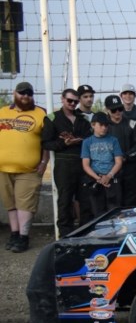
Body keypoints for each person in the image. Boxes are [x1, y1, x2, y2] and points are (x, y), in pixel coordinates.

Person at [1, 82, 51, 253]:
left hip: (29, 170)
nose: (25, 96)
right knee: (10, 204)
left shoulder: (41, 113)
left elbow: (46, 142)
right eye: (22, 93)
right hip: (3, 168)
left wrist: (44, 162)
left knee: (25, 204)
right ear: (15, 93)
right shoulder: (2, 112)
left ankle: (23, 236)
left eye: (29, 94)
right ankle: (14, 233)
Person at [43, 88, 92, 236]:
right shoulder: (52, 118)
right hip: (63, 163)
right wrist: (64, 143)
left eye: (75, 101)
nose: (72, 104)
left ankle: (85, 232)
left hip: (82, 162)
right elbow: (46, 143)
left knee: (85, 199)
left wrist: (79, 140)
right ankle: (65, 234)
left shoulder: (83, 119)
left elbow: (89, 137)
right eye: (69, 100)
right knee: (65, 199)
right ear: (62, 99)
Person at [103, 94, 136, 208]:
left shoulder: (133, 123)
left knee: (130, 202)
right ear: (107, 109)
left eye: (120, 108)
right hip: (110, 169)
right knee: (113, 202)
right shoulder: (103, 126)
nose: (117, 112)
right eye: (113, 109)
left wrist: (125, 157)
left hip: (130, 168)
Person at [80, 113, 124, 217]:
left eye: (106, 125)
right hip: (95, 179)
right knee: (97, 213)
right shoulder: (87, 142)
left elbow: (118, 161)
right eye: (101, 125)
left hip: (112, 179)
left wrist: (109, 175)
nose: (104, 128)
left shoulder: (113, 140)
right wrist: (97, 178)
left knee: (114, 211)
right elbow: (86, 164)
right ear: (93, 125)